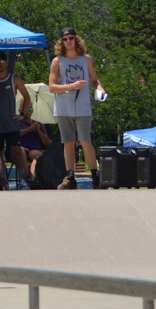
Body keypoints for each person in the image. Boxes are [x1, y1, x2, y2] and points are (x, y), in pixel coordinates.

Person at [48, 28, 105, 190]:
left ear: (76, 40)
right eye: (65, 39)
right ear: (61, 42)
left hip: (82, 107)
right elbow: (51, 87)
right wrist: (71, 86)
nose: (68, 41)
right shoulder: (57, 61)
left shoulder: (86, 59)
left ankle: (95, 175)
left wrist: (100, 88)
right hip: (63, 107)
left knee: (85, 140)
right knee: (68, 142)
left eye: (71, 38)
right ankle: (70, 176)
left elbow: (94, 80)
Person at [0, 51, 34, 188]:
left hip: (11, 124)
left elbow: (27, 97)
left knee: (17, 151)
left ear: (6, 62)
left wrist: (24, 114)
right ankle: (1, 182)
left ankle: (26, 178)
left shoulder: (14, 78)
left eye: (1, 61)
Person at [18, 106, 51, 183]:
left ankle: (33, 177)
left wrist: (39, 130)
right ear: (22, 110)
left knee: (38, 155)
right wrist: (29, 129)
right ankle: (32, 177)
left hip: (36, 150)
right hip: (22, 149)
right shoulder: (18, 122)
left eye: (31, 108)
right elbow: (15, 134)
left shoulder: (39, 123)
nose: (29, 110)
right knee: (36, 155)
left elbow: (47, 143)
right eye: (27, 108)